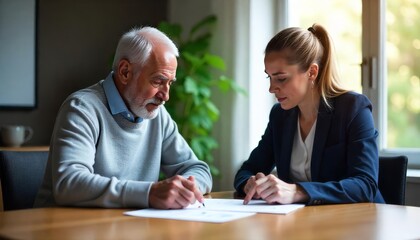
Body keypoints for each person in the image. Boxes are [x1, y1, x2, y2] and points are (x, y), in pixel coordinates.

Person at [34, 26, 212, 209]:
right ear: (125, 71)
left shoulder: (158, 116)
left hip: (126, 225)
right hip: (63, 228)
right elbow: (69, 184)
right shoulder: (82, 108)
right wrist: (149, 193)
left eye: (170, 83)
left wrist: (188, 188)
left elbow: (199, 170)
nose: (165, 96)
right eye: (158, 81)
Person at [234, 24, 384, 205]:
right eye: (270, 77)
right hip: (303, 223)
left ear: (312, 72)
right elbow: (247, 170)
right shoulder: (280, 116)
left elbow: (364, 185)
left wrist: (297, 191)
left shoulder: (353, 108)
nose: (272, 88)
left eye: (281, 78)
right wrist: (249, 183)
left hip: (357, 224)